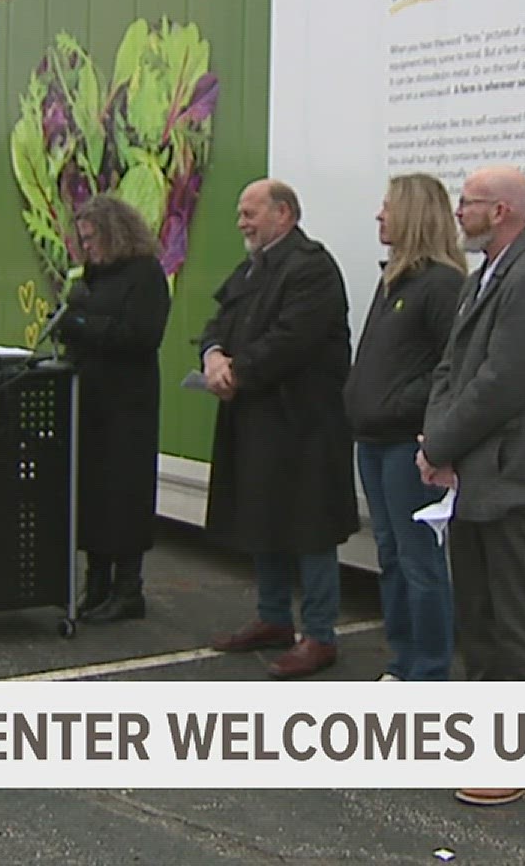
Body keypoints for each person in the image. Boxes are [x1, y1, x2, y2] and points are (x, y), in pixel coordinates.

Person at [416, 165, 525, 807]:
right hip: (474, 476)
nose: (459, 213)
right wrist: (435, 445)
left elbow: (502, 386)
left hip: (509, 479)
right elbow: (451, 370)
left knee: (514, 620)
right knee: (476, 618)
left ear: (502, 211)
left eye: (470, 204)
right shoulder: (485, 277)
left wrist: (444, 444)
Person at [199, 179, 359, 679]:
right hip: (258, 421)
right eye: (240, 214)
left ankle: (318, 635)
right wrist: (212, 357)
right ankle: (272, 619)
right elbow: (217, 323)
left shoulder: (311, 267)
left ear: (284, 213)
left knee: (310, 530)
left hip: (304, 425)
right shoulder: (255, 267)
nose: (242, 223)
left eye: (250, 213)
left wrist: (235, 372)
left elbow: (291, 339)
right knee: (261, 520)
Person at [343, 174, 467, 682]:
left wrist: (403, 408)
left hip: (407, 445)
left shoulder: (442, 285)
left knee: (419, 561)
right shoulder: (394, 278)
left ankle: (430, 673)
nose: (379, 216)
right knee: (391, 558)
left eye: (388, 207)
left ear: (414, 215)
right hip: (372, 440)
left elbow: (453, 367)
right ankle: (402, 663)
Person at [55, 195, 172, 625]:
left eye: (93, 239)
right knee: (92, 494)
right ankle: (97, 581)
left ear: (114, 233)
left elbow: (141, 336)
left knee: (124, 495)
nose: (88, 248)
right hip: (90, 400)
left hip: (128, 405)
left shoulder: (145, 275)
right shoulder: (92, 277)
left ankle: (128, 588)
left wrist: (84, 325)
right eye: (82, 241)